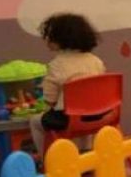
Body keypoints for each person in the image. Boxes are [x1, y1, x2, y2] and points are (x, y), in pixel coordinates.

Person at [31, 13, 106, 154]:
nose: (46, 40)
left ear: (60, 39)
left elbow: (50, 99)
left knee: (35, 121)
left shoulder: (57, 65)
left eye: (49, 36)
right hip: (98, 115)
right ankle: (85, 152)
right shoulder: (96, 61)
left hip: (68, 119)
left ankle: (47, 159)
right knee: (83, 112)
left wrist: (50, 103)